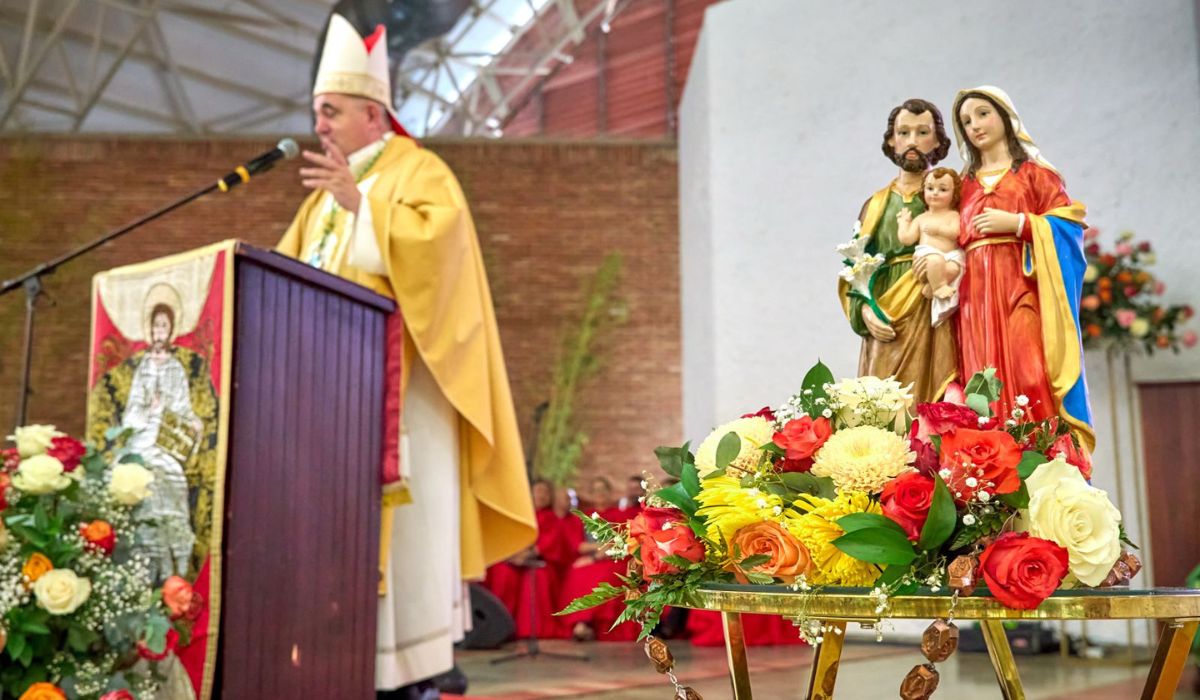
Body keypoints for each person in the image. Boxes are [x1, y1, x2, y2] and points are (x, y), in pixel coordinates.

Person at [274, 14, 536, 697]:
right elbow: (281, 275)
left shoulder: (420, 171)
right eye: (316, 113)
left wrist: (362, 207)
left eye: (330, 111)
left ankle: (410, 673)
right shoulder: (324, 198)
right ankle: (343, 659)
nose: (321, 125)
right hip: (329, 403)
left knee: (409, 544)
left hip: (403, 405)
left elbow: (439, 259)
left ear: (371, 112)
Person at [944, 86, 1094, 451]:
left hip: (1021, 289)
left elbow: (1069, 229)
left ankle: (1041, 458)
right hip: (974, 300)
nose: (974, 126)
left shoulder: (1035, 175)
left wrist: (1019, 225)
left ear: (1005, 116)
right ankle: (991, 468)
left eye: (982, 114)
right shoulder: (961, 184)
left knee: (1030, 370)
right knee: (979, 378)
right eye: (965, 121)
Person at [837, 99, 958, 403]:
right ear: (891, 141)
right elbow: (856, 267)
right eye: (903, 133)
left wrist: (949, 270)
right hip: (887, 309)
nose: (912, 142)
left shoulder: (951, 197)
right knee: (881, 403)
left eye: (922, 132)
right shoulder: (876, 204)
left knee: (933, 398)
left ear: (938, 141)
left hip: (934, 307)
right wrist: (864, 310)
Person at [121, 300, 199, 581]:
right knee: (139, 476)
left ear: (171, 330)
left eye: (164, 326)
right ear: (150, 329)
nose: (160, 330)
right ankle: (142, 564)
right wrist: (149, 410)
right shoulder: (143, 367)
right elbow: (131, 410)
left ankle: (176, 569)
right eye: (156, 325)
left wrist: (190, 422)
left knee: (172, 478)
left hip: (165, 436)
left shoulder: (176, 369)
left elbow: (183, 407)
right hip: (143, 435)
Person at [897, 167, 964, 326]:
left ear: (954, 194)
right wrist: (903, 223)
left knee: (955, 269)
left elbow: (956, 232)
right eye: (930, 188)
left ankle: (933, 285)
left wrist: (939, 230)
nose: (935, 193)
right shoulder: (921, 218)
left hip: (950, 256)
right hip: (927, 255)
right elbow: (906, 238)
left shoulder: (953, 215)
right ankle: (939, 287)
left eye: (942, 189)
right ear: (923, 190)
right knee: (935, 261)